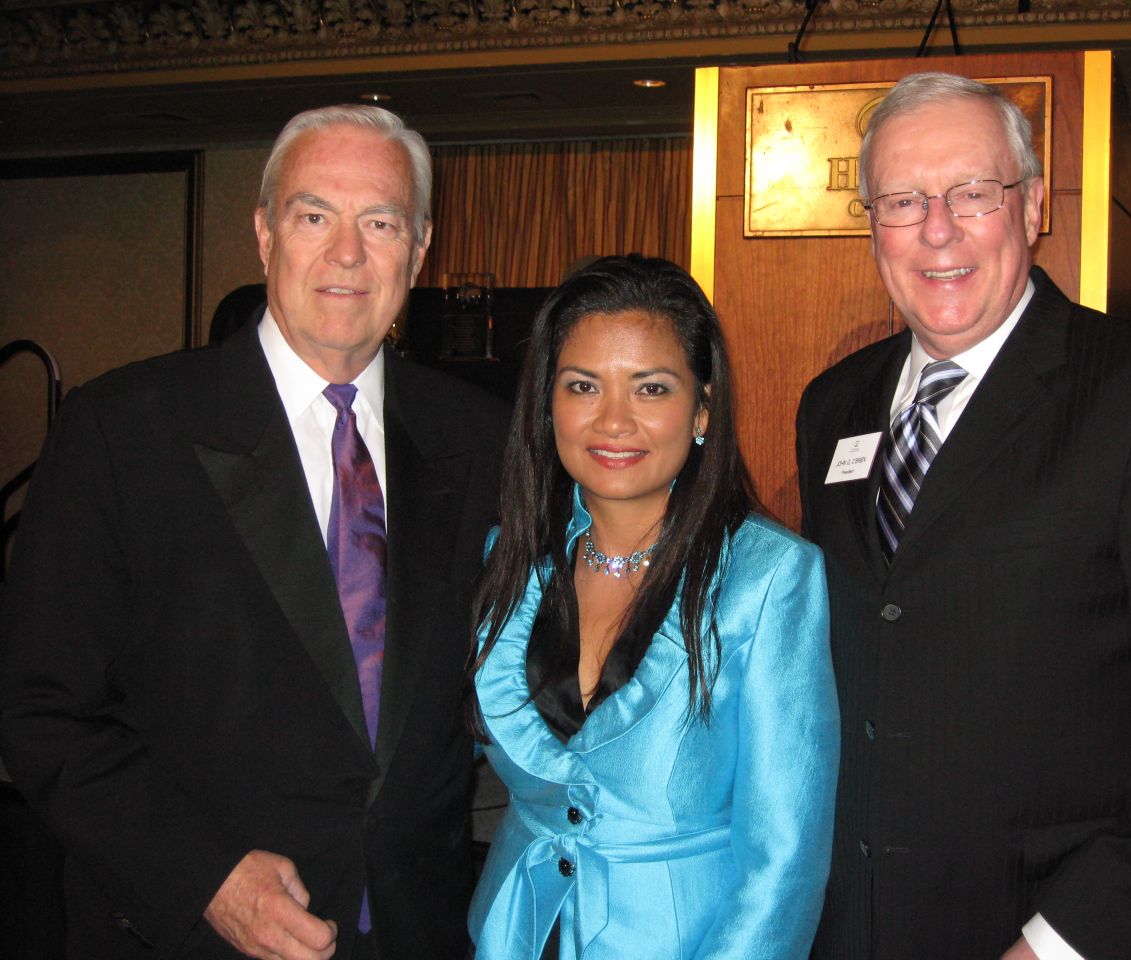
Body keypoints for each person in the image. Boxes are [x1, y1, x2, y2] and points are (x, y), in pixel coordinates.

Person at [0, 105, 507, 960]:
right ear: (266, 234)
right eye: (315, 216)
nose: (347, 253)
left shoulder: (482, 438)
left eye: (379, 222)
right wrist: (205, 878)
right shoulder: (124, 432)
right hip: (192, 935)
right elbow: (38, 710)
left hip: (419, 931)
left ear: (419, 250)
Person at [797, 72, 1131, 960]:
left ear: (1032, 207)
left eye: (973, 193)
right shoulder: (832, 407)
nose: (937, 229)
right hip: (854, 928)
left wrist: (1062, 943)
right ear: (870, 222)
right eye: (903, 200)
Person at [467, 254, 839, 959]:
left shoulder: (769, 579)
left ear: (701, 409)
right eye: (583, 386)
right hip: (517, 932)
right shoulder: (508, 558)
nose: (613, 421)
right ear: (549, 404)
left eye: (651, 389)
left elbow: (784, 860)